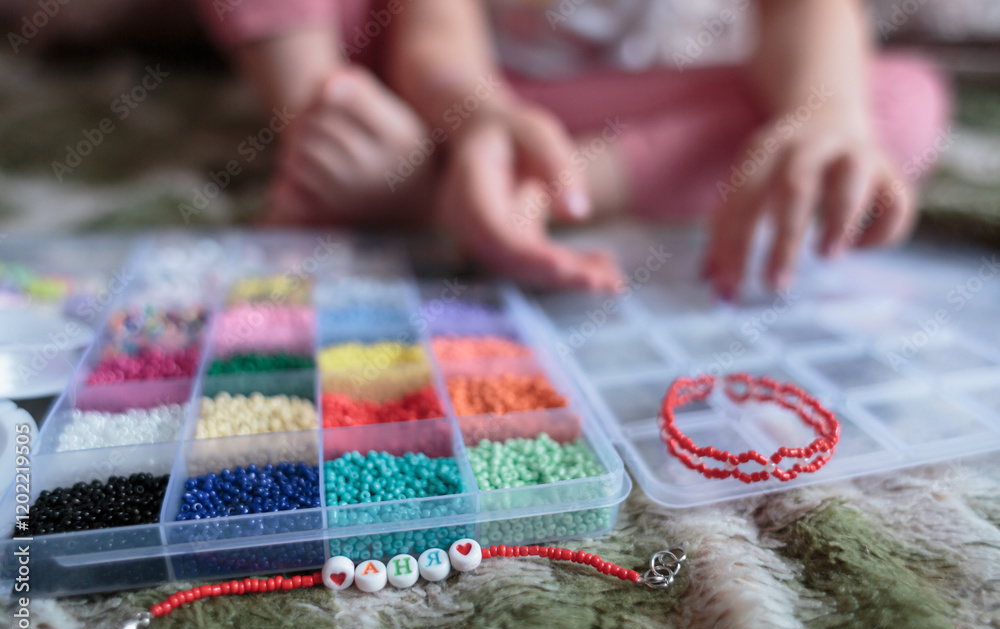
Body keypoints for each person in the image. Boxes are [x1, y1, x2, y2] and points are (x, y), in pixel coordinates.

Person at [195, 0, 951, 299]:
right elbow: (436, 36)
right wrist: (481, 115)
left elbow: (812, 14)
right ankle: (328, 129)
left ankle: (477, 194)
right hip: (433, 93)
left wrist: (822, 113)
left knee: (897, 103)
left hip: (608, 121)